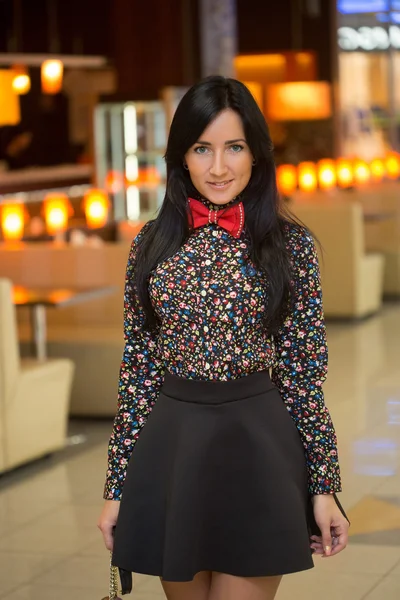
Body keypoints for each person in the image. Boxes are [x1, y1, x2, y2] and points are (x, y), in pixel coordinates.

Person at [98, 76, 349, 600]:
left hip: (259, 448)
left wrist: (325, 486)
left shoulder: (291, 247)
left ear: (256, 154)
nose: (218, 167)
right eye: (202, 148)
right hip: (173, 452)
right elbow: (139, 371)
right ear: (181, 158)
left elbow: (304, 374)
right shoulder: (150, 245)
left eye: (234, 147)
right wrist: (117, 488)